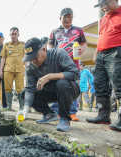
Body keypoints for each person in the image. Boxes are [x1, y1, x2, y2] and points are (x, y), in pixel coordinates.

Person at [16, 37, 80, 132]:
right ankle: (49, 114)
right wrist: (26, 108)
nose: (33, 61)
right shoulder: (30, 66)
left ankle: (64, 118)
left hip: (68, 90)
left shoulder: (58, 54)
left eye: (35, 57)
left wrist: (50, 76)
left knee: (62, 83)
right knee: (24, 93)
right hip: (49, 92)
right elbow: (30, 89)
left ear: (44, 50)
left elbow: (75, 74)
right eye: (30, 59)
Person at [86, 0, 121, 132]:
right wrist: (96, 53)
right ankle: (103, 115)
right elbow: (102, 36)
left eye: (106, 3)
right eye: (101, 5)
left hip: (116, 53)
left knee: (119, 86)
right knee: (99, 85)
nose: (104, 7)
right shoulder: (104, 18)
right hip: (101, 54)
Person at [48, 8, 87, 121]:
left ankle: (72, 112)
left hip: (73, 63)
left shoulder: (79, 30)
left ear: (72, 18)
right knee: (57, 85)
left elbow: (84, 44)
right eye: (65, 17)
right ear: (60, 18)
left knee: (72, 86)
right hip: (58, 63)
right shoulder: (54, 31)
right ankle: (55, 110)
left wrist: (82, 49)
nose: (67, 19)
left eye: (69, 16)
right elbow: (50, 46)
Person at [0, 27, 25, 110]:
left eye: (15, 34)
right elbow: (3, 58)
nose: (13, 36)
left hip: (20, 69)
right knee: (7, 88)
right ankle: (9, 106)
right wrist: (1, 70)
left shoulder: (23, 45)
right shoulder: (6, 45)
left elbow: (26, 57)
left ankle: (21, 107)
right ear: (10, 35)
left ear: (18, 35)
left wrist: (28, 69)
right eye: (12, 34)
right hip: (8, 69)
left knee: (20, 88)